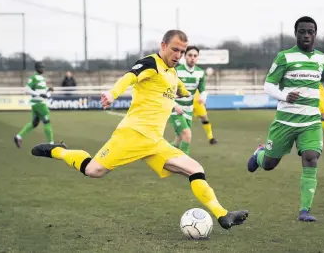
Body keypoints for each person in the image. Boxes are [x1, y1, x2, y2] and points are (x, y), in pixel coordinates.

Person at [30, 30, 248, 230]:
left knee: (195, 169)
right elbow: (130, 77)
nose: (178, 55)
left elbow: (175, 87)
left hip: (155, 142)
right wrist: (113, 94)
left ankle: (223, 215)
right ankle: (58, 151)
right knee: (93, 171)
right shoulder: (150, 63)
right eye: (175, 50)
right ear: (163, 45)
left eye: (182, 52)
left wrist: (181, 93)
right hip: (132, 135)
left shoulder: (172, 73)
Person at [246, 17, 324, 222]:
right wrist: (284, 96)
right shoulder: (284, 57)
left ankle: (304, 211)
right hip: (285, 122)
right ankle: (259, 155)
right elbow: (268, 85)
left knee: (310, 157)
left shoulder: (321, 59)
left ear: (315, 34)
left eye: (310, 31)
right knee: (270, 164)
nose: (307, 35)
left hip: (311, 121)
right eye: (302, 31)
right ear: (296, 33)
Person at [169, 46, 208, 155]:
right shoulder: (176, 71)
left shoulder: (200, 73)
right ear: (185, 56)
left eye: (195, 56)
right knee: (187, 135)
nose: (192, 58)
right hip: (175, 109)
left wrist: (203, 97)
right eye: (190, 55)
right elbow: (168, 91)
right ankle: (184, 162)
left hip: (188, 110)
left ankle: (158, 152)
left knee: (178, 140)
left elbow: (203, 90)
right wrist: (175, 105)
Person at [14, 61, 54, 148]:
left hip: (38, 103)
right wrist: (39, 95)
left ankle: (18, 136)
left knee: (34, 123)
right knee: (47, 121)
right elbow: (27, 89)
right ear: (36, 68)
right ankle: (51, 143)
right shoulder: (33, 77)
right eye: (41, 67)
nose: (42, 69)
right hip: (39, 103)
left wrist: (48, 90)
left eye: (43, 67)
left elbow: (41, 90)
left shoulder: (41, 78)